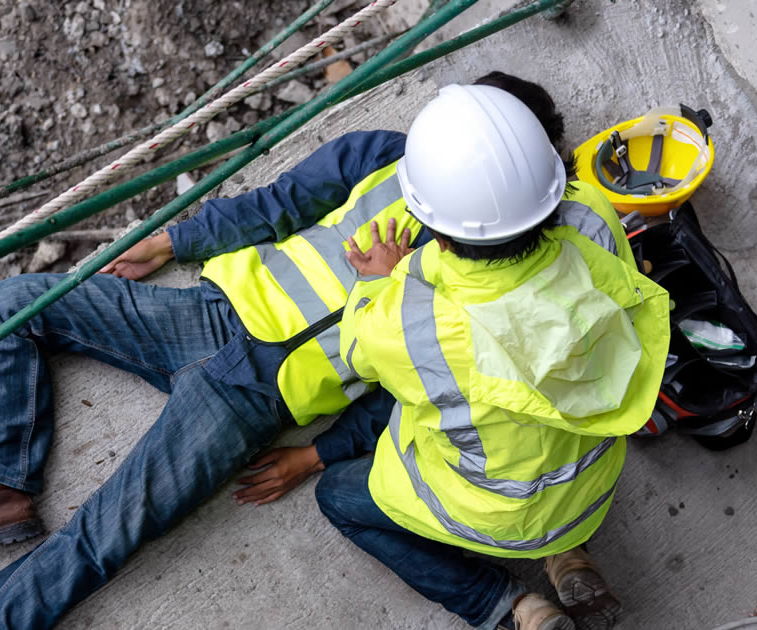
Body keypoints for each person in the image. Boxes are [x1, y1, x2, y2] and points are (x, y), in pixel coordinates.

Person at [0, 72, 660, 630]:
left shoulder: (455, 311)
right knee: (15, 305)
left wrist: (316, 456)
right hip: (212, 311)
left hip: (253, 400)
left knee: (107, 531)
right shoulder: (380, 159)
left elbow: (420, 412)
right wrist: (180, 238)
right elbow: (280, 203)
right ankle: (0, 486)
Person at [241, 78, 671, 630]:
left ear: (432, 230)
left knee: (339, 499)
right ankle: (564, 555)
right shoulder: (594, 216)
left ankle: (515, 610)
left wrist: (380, 280)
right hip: (591, 482)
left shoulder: (407, 317)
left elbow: (356, 351)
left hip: (496, 513)